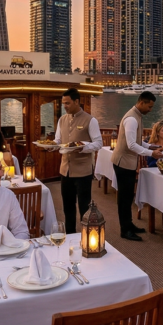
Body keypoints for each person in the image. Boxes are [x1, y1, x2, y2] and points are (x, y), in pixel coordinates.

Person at [111, 91, 163, 241]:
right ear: (141, 102)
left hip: (128, 162)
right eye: (149, 106)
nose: (150, 110)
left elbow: (139, 142)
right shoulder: (131, 120)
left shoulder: (137, 117)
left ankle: (129, 224)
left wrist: (153, 147)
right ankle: (125, 230)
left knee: (128, 196)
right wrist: (151, 154)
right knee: (124, 198)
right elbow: (131, 144)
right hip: (122, 162)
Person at [55, 88, 102, 234]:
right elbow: (58, 141)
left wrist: (82, 147)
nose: (65, 106)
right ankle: (70, 234)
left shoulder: (90, 120)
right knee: (67, 206)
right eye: (63, 103)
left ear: (77, 101)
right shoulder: (62, 120)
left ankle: (86, 235)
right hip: (65, 170)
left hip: (83, 171)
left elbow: (98, 143)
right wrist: (51, 146)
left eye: (67, 103)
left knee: (84, 206)